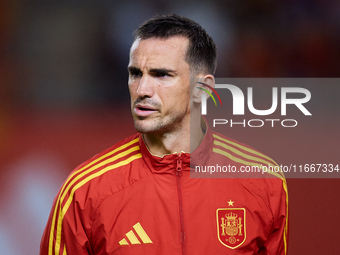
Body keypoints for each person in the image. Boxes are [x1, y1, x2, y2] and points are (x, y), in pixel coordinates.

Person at [40, 14, 288, 255]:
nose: (142, 89)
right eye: (135, 73)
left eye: (161, 74)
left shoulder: (263, 181)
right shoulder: (85, 191)